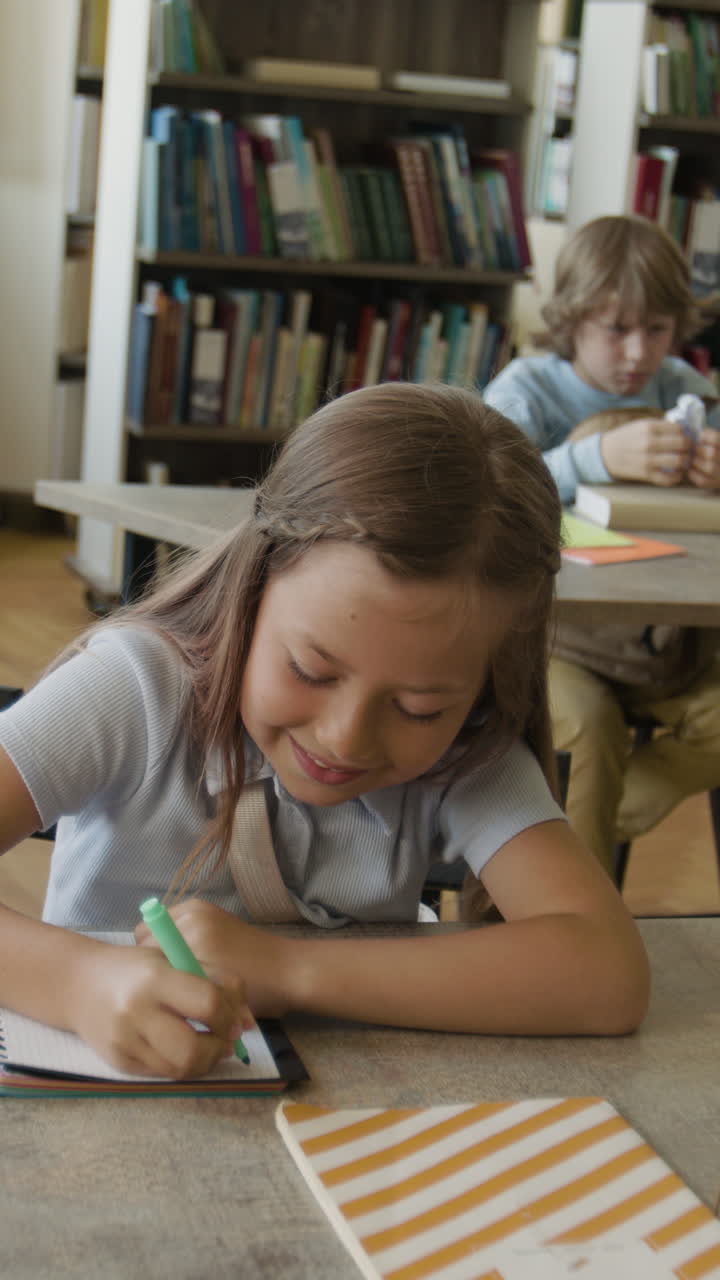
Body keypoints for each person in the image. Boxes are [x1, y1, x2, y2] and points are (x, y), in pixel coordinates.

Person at [0, 383, 648, 1080]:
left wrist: (288, 970)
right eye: (311, 670)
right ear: (254, 585)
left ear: (486, 685)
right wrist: (75, 982)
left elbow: (607, 973)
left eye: (418, 708)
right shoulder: (132, 689)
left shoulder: (467, 747)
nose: (344, 739)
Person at [484, 214, 720, 874]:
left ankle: (584, 828)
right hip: (552, 641)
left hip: (669, 643)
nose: (638, 353)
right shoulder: (527, 389)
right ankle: (578, 904)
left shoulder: (685, 390)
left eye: (658, 330)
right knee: (585, 730)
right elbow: (487, 488)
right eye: (616, 329)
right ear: (572, 317)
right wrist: (593, 459)